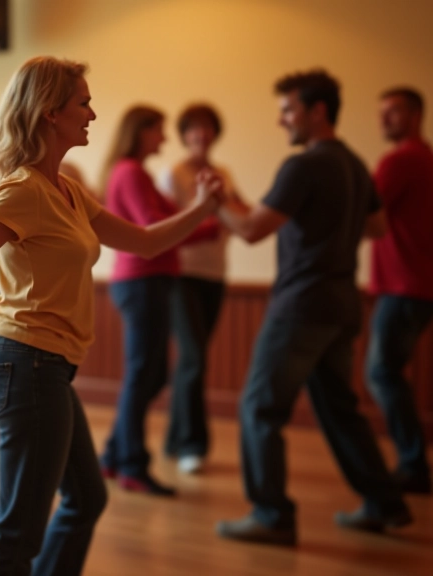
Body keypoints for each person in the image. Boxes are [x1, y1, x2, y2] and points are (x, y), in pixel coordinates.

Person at [0, 56, 225, 575]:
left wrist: (204, 207)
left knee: (85, 500)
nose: (92, 114)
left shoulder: (65, 190)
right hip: (24, 364)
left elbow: (145, 240)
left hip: (48, 367)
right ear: (50, 113)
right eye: (83, 103)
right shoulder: (21, 189)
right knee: (19, 532)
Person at [215, 70, 412, 545]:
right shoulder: (355, 164)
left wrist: (212, 200)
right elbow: (378, 228)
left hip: (300, 307)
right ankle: (385, 503)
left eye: (289, 110)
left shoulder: (303, 166)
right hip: (342, 306)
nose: (283, 120)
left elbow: (251, 230)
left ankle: (271, 516)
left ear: (316, 111)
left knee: (260, 408)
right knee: (341, 410)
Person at [98, 105, 219, 496]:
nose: (164, 140)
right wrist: (211, 223)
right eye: (158, 131)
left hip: (150, 283)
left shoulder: (139, 174)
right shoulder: (130, 173)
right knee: (143, 375)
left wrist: (206, 220)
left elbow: (175, 219)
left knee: (150, 375)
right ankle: (132, 464)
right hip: (141, 282)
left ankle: (116, 455)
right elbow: (154, 226)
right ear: (140, 132)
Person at [159, 103, 238, 475]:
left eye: (207, 129)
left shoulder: (223, 173)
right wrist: (208, 223)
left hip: (215, 276)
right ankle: (193, 444)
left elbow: (238, 215)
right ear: (185, 134)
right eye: (194, 129)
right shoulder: (172, 175)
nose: (201, 135)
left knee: (193, 361)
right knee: (193, 359)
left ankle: (175, 440)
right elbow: (165, 230)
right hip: (181, 276)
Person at [366, 86, 433, 495]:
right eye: (381, 112)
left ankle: (412, 465)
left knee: (382, 373)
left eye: (393, 112)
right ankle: (413, 463)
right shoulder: (426, 158)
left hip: (404, 286)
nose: (383, 119)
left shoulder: (400, 161)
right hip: (416, 288)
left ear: (416, 115)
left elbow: (363, 213)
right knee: (387, 372)